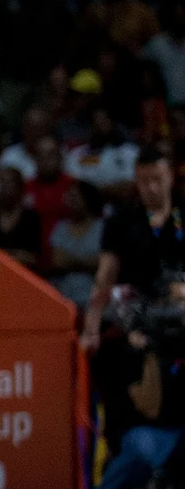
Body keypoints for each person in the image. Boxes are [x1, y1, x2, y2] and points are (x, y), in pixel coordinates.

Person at [47, 295, 185, 489]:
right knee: (143, 445)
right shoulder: (128, 354)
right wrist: (151, 354)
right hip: (161, 433)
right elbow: (151, 406)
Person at [86, 147, 185, 351]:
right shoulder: (120, 221)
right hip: (138, 303)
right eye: (144, 181)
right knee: (120, 298)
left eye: (158, 179)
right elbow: (106, 276)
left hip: (179, 298)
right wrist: (91, 328)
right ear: (136, 181)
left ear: (170, 177)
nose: (152, 187)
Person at [49, 182, 106, 306]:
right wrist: (87, 263)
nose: (71, 200)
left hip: (94, 294)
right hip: (64, 294)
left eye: (75, 196)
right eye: (69, 196)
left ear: (88, 199)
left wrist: (71, 261)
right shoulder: (61, 227)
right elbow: (58, 261)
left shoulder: (103, 228)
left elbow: (103, 263)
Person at [0, 166, 44, 268]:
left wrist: (2, 255)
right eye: (2, 181)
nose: (5, 186)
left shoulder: (31, 218)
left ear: (20, 186)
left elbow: (34, 258)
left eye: (10, 182)